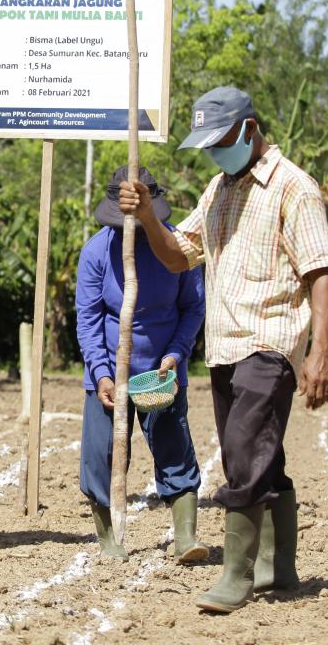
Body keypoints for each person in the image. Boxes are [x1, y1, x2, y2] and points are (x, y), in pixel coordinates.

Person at [118, 86, 328, 613]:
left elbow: (322, 274)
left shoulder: (294, 188)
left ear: (249, 129)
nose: (216, 152)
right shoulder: (219, 189)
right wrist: (150, 217)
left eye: (221, 140)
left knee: (242, 454)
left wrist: (321, 352)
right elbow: (177, 257)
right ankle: (278, 566)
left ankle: (235, 576)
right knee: (265, 455)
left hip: (270, 343)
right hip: (223, 348)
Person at [76, 166, 207, 563]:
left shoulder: (177, 249)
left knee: (174, 448)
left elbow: (193, 308)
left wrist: (175, 355)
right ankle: (108, 538)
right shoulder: (97, 251)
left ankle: (185, 536)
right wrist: (101, 373)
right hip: (110, 374)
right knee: (101, 455)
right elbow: (88, 317)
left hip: (161, 371)